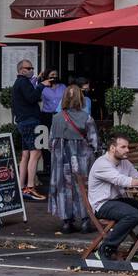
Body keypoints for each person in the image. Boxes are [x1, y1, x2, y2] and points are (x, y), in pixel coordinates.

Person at [87, 132, 138, 259]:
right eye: (123, 147)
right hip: (102, 205)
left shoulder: (125, 162)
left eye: (128, 147)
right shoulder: (102, 163)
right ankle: (105, 248)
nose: (127, 150)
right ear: (112, 148)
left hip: (118, 200)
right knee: (133, 214)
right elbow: (121, 180)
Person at [48, 84, 98, 233]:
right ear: (80, 99)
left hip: (60, 161)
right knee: (82, 188)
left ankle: (66, 222)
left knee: (63, 188)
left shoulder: (56, 118)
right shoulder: (86, 118)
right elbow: (93, 140)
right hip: (82, 160)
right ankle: (84, 220)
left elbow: (51, 142)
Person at [12, 59, 47, 201]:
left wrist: (38, 79)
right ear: (21, 70)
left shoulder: (20, 83)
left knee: (26, 155)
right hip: (30, 122)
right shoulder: (23, 82)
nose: (31, 69)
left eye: (32, 67)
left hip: (23, 122)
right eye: (29, 68)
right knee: (36, 152)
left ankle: (21, 187)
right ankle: (30, 188)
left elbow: (27, 94)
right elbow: (32, 97)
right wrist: (41, 86)